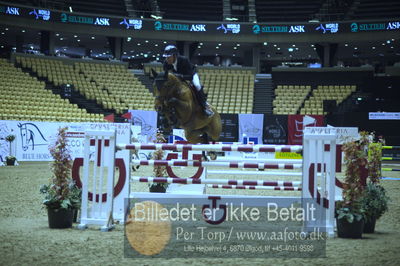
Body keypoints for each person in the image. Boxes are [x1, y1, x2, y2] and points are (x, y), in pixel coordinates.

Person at [162, 44, 214, 117]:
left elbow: (190, 77)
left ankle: (204, 106)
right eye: (166, 57)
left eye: (168, 57)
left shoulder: (184, 60)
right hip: (178, 78)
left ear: (174, 55)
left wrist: (181, 76)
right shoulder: (166, 63)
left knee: (197, 85)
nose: (167, 59)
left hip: (190, 75)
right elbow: (166, 76)